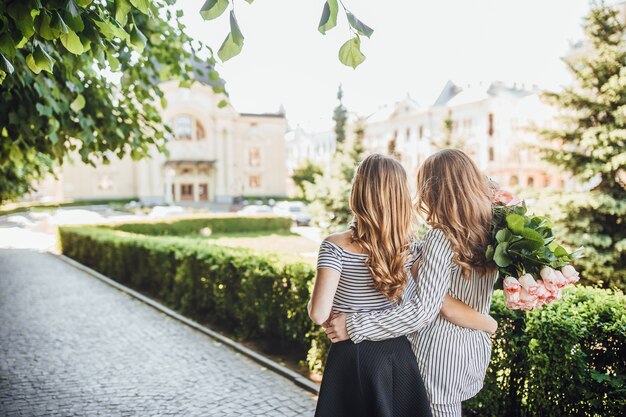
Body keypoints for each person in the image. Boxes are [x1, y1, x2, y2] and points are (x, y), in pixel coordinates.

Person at [309, 153, 497, 417]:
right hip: (449, 353)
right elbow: (441, 298)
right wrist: (488, 323)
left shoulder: (435, 239)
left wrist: (351, 323)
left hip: (409, 355)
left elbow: (431, 306)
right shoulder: (494, 234)